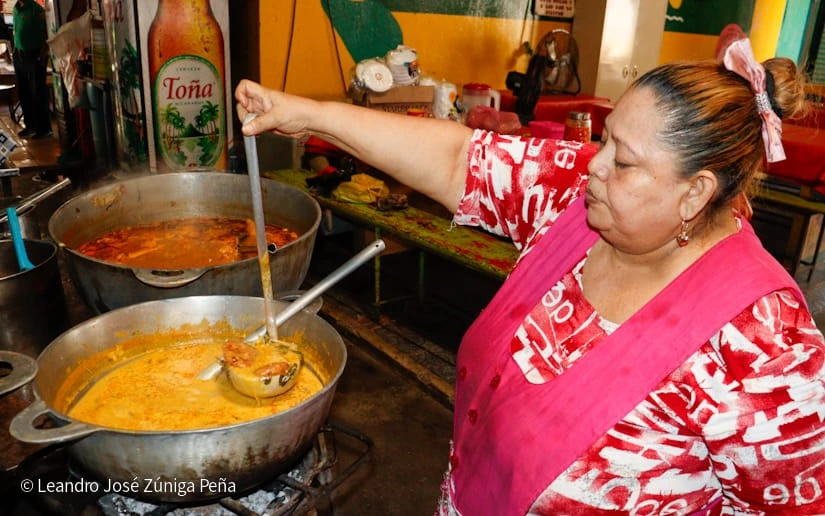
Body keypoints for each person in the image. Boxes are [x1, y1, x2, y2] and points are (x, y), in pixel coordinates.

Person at [235, 27, 825, 515]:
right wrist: (307, 114)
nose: (593, 166)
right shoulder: (581, 195)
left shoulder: (765, 347)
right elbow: (457, 159)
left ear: (696, 194)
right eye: (605, 141)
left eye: (624, 160)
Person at [11, 0, 51, 139]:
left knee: (37, 91)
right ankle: (30, 126)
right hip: (19, 54)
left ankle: (43, 128)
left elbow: (46, 31)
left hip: (34, 54)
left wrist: (44, 50)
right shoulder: (16, 9)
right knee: (23, 91)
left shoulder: (36, 10)